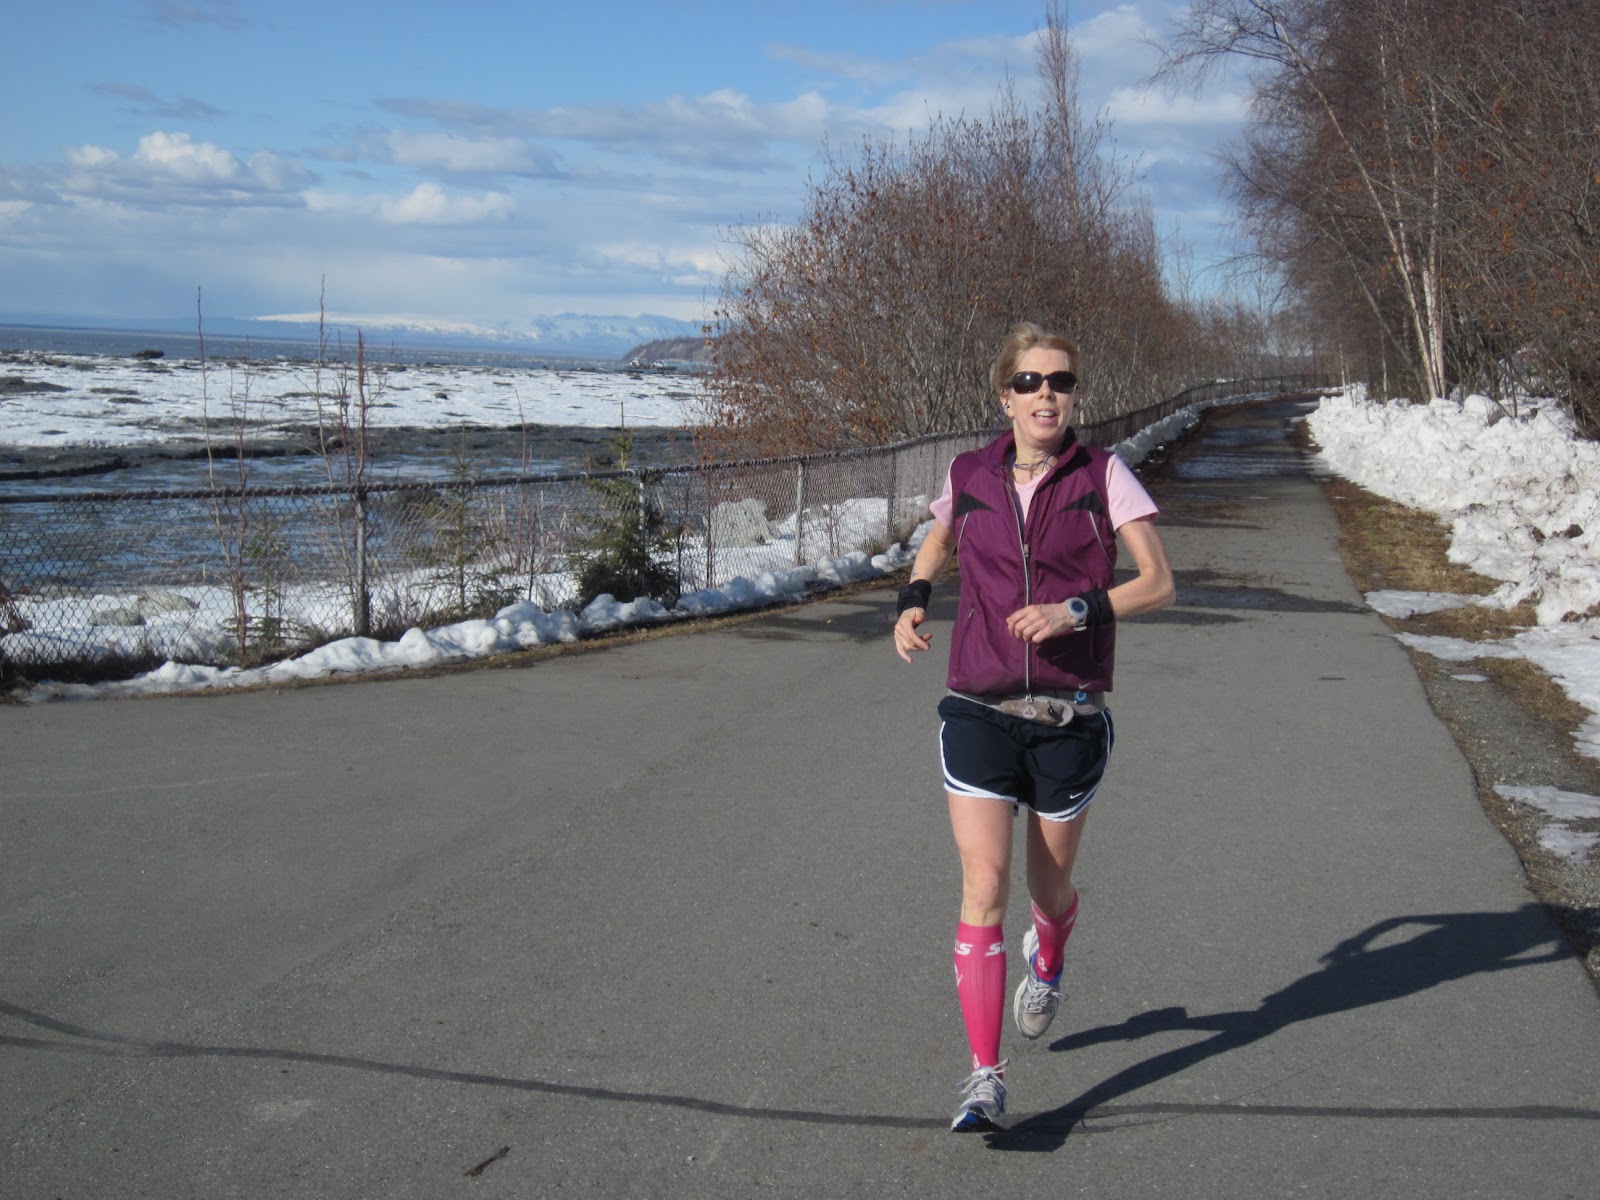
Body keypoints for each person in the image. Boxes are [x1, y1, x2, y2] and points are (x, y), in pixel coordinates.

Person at [892, 322, 1175, 1132]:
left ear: (1075, 394)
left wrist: (1075, 610)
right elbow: (942, 533)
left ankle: (1048, 955)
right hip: (978, 706)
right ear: (1004, 397)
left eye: (1060, 381)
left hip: (1067, 714)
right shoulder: (970, 473)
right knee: (983, 886)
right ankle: (985, 1079)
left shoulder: (1103, 475)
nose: (1045, 394)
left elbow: (1158, 582)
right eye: (1029, 382)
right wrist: (913, 599)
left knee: (1047, 890)